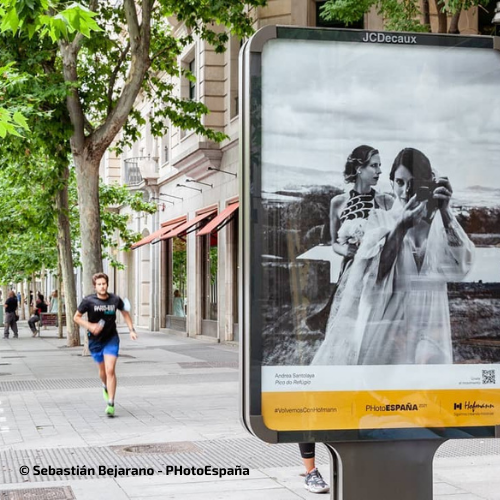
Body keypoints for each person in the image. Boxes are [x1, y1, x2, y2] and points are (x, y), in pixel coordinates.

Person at [312, 147, 474, 365]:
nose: (406, 191)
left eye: (414, 183)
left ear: (427, 184)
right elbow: (373, 278)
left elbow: (462, 265)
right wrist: (400, 228)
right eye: (399, 182)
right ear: (391, 183)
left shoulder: (441, 225)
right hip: (390, 336)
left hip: (432, 329)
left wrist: (445, 213)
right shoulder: (380, 220)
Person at [307, 145, 393, 333]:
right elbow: (334, 243)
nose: (379, 171)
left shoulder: (385, 201)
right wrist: (346, 250)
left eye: (380, 165)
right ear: (359, 169)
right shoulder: (338, 202)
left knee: (370, 322)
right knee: (346, 323)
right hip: (350, 269)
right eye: (374, 166)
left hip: (377, 269)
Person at [74, 272, 137, 417]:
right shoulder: (88, 301)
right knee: (102, 372)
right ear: (95, 286)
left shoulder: (115, 299)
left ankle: (111, 403)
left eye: (104, 284)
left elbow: (125, 312)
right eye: (99, 284)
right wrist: (89, 326)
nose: (102, 287)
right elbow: (76, 317)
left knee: (110, 370)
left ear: (107, 284)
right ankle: (104, 385)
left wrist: (131, 330)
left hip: (111, 338)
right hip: (95, 341)